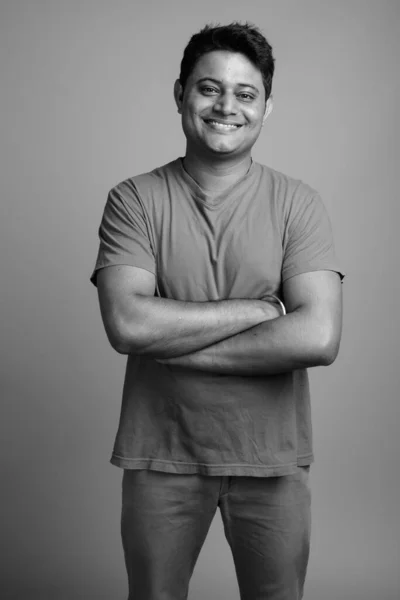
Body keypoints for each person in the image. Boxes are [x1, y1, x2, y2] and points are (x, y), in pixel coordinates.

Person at [90, 22, 344, 600]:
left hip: (271, 457)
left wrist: (172, 342)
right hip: (161, 454)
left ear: (266, 107)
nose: (226, 106)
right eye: (208, 88)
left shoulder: (297, 203)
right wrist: (262, 310)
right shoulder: (134, 199)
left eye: (245, 93)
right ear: (180, 93)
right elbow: (128, 324)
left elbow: (319, 337)